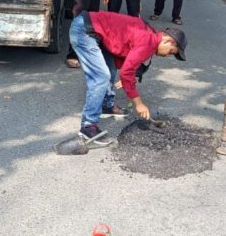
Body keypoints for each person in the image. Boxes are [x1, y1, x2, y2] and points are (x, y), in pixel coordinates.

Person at [70, 10, 187, 145]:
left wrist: (129, 77)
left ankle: (106, 105)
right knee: (101, 77)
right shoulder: (148, 41)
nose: (167, 56)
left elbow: (125, 54)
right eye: (171, 52)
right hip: (85, 30)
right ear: (168, 40)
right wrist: (139, 104)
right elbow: (126, 72)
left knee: (110, 69)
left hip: (95, 31)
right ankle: (88, 126)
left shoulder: (150, 35)